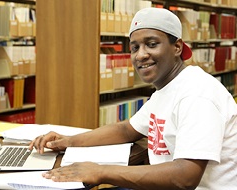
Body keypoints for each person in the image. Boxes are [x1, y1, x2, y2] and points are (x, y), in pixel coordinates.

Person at [29, 7, 237, 190]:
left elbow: (185, 177)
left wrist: (100, 171)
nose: (140, 55)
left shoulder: (197, 95)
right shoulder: (167, 89)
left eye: (152, 44)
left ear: (177, 47)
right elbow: (126, 130)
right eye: (135, 47)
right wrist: (67, 142)